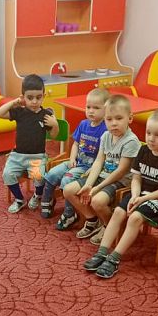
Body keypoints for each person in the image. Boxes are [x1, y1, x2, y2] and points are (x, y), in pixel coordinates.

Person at [83, 108, 158, 279]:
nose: (151, 138)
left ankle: (114, 259)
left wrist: (143, 198)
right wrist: (136, 195)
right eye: (148, 133)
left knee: (135, 217)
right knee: (118, 212)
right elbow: (136, 178)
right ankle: (102, 252)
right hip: (141, 193)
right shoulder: (143, 151)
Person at [62, 94, 140, 244]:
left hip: (120, 181)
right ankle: (92, 219)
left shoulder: (131, 141)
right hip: (103, 175)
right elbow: (99, 161)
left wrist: (97, 188)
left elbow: (121, 171)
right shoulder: (105, 136)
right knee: (68, 190)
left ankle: (108, 226)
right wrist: (89, 184)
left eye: (119, 118)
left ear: (130, 118)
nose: (114, 123)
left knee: (97, 201)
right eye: (109, 119)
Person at [40, 87, 109, 224]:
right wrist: (72, 158)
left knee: (67, 181)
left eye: (96, 108)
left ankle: (69, 213)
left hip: (88, 168)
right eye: (88, 107)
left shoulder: (106, 130)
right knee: (52, 173)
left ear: (106, 110)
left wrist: (93, 169)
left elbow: (105, 156)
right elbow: (76, 144)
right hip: (76, 162)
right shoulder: (83, 124)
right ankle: (47, 200)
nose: (91, 111)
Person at [0, 74, 58, 214]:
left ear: (43, 96)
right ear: (23, 97)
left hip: (37, 157)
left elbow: (54, 135)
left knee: (39, 177)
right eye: (30, 98)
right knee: (7, 174)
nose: (34, 101)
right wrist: (13, 102)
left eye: (38, 97)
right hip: (17, 156)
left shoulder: (46, 114)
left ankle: (37, 195)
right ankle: (19, 199)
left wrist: (55, 125)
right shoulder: (20, 112)